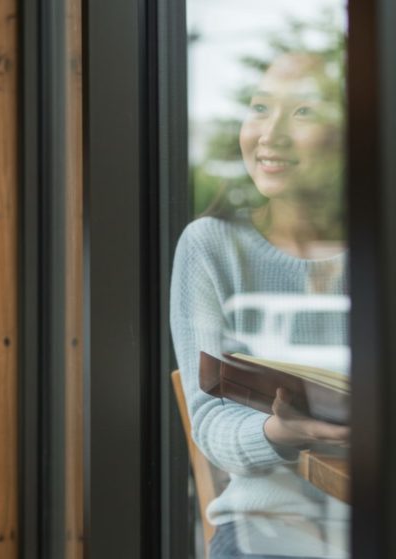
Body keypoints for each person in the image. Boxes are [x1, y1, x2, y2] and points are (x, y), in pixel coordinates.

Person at [170, 51, 349, 559]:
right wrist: (282, 432)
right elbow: (209, 421)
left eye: (304, 111)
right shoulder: (212, 245)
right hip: (269, 531)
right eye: (259, 107)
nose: (270, 134)